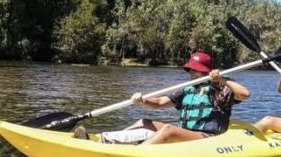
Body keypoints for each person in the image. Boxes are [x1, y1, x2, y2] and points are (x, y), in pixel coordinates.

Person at [74, 51, 250, 144]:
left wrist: (222, 79)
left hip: (207, 138)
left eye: (196, 69)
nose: (192, 73)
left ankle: (136, 155)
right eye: (191, 69)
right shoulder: (187, 89)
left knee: (168, 130)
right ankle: (104, 140)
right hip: (187, 134)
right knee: (144, 122)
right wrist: (143, 100)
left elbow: (245, 94)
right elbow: (159, 103)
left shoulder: (220, 87)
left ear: (205, 70)